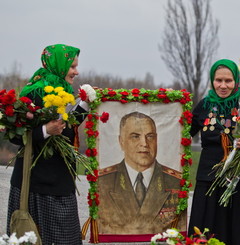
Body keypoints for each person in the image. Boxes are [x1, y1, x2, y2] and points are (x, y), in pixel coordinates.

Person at [7, 44, 89, 244]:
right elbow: (16, 136)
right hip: (35, 188)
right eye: (72, 67)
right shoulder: (35, 92)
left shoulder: (62, 91)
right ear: (59, 65)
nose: (76, 72)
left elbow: (64, 131)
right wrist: (44, 131)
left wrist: (85, 104)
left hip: (60, 186)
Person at [188, 59, 240, 245]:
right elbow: (183, 135)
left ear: (236, 81)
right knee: (207, 233)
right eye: (218, 80)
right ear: (212, 80)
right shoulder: (204, 106)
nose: (223, 85)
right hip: (209, 182)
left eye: (228, 81)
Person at [97, 111, 185, 235]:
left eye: (150, 136)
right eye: (135, 136)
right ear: (121, 142)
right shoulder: (103, 182)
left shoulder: (175, 181)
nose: (144, 143)